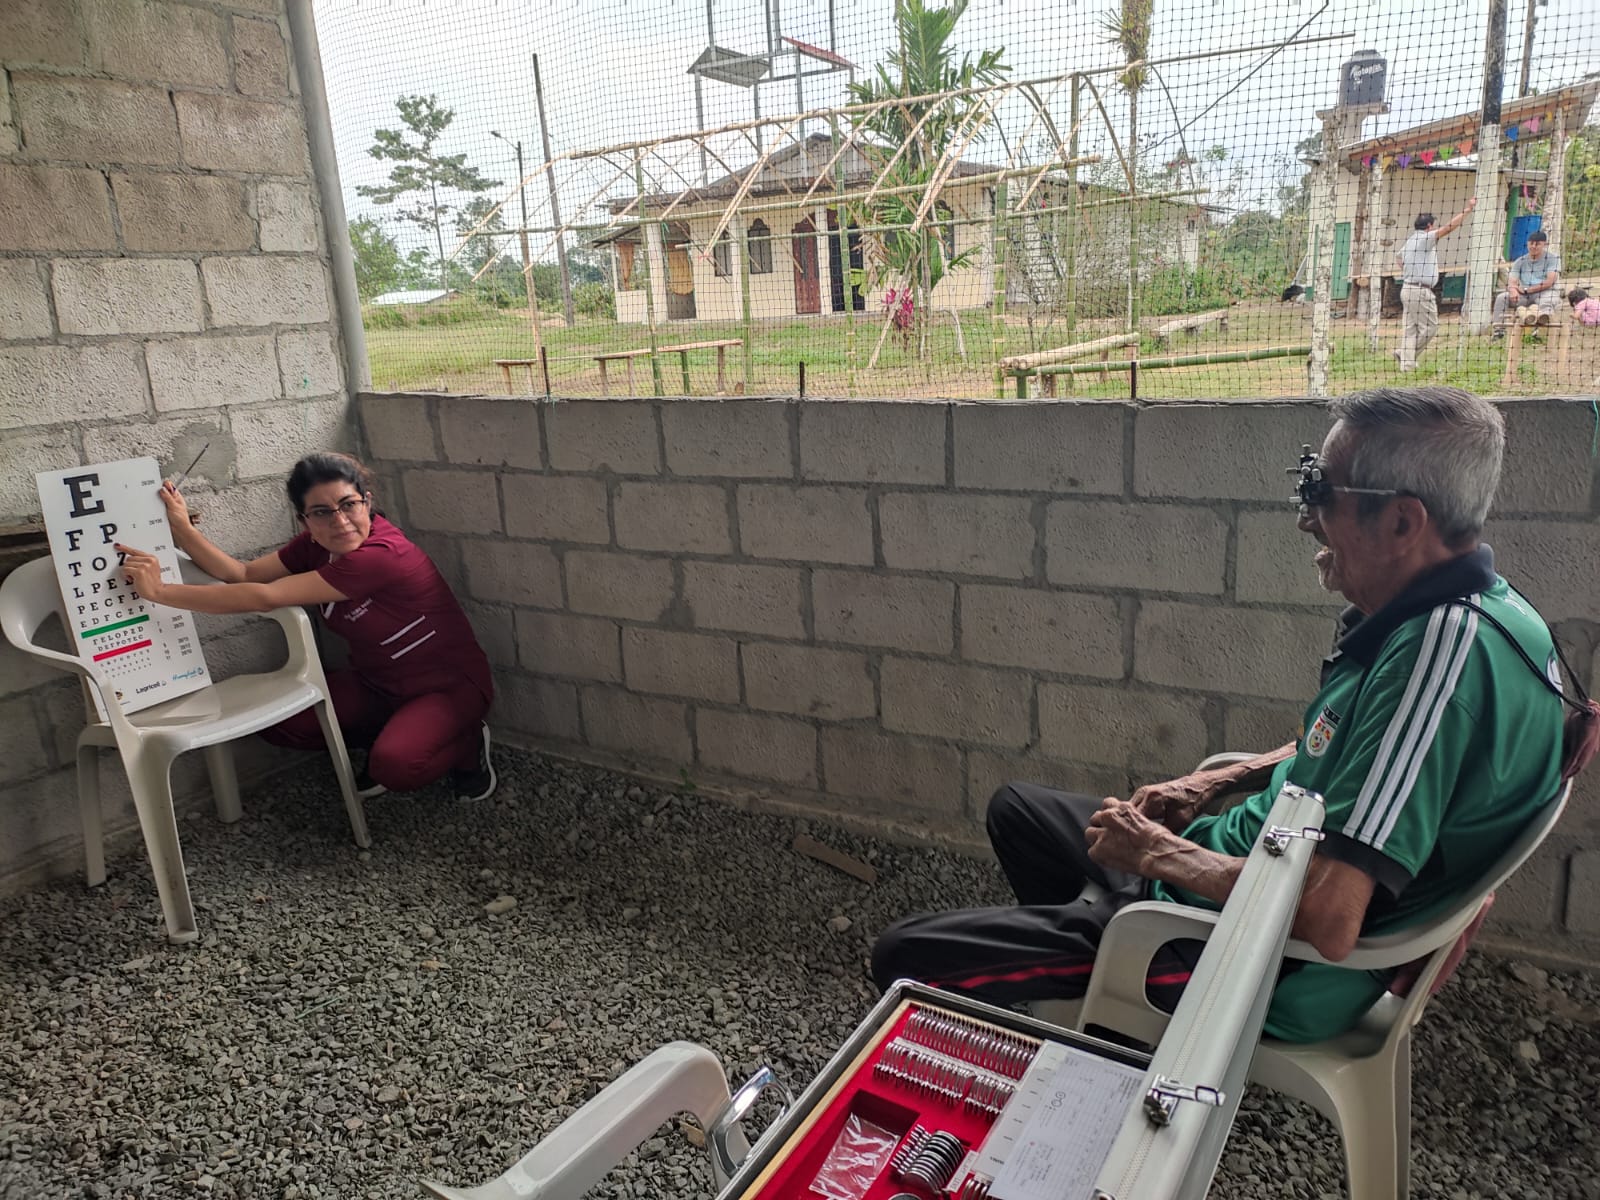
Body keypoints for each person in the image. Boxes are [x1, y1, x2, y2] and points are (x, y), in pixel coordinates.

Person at [871, 386, 1576, 1044]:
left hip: (1255, 958)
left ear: (1401, 521)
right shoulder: (1485, 611)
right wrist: (1214, 781)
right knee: (1019, 810)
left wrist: (1159, 853)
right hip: (1232, 869)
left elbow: (1329, 919)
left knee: (904, 960)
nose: (1307, 518)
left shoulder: (1436, 661)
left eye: (1322, 493)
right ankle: (1106, 995)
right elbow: (1359, 751)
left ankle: (1126, 988)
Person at [115, 452, 497, 803]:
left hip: (446, 687)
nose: (340, 521)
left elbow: (265, 597)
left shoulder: (383, 555)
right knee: (281, 723)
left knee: (395, 767)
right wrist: (181, 527)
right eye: (321, 512)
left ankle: (466, 742)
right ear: (305, 520)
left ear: (367, 501)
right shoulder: (315, 546)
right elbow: (244, 575)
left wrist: (159, 592)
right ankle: (393, 734)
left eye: (349, 504)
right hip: (376, 684)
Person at [1395, 200, 1475, 371]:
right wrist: (1467, 210)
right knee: (1431, 327)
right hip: (1420, 291)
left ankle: (1407, 363)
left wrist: (1411, 270)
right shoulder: (1425, 239)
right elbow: (1448, 228)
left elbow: (1398, 258)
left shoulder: (1410, 241)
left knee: (1410, 329)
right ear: (1429, 226)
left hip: (1408, 288)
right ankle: (1405, 354)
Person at [1492, 229, 1562, 335]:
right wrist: (1513, 291)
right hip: (1524, 295)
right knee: (1502, 297)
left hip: (1546, 292)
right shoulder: (1520, 261)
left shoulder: (1553, 259)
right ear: (1527, 243)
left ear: (1544, 244)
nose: (1533, 246)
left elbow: (1549, 282)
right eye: (1531, 243)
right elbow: (1512, 281)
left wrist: (1527, 290)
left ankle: (1541, 331)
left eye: (1537, 244)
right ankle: (1498, 331)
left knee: (1547, 301)